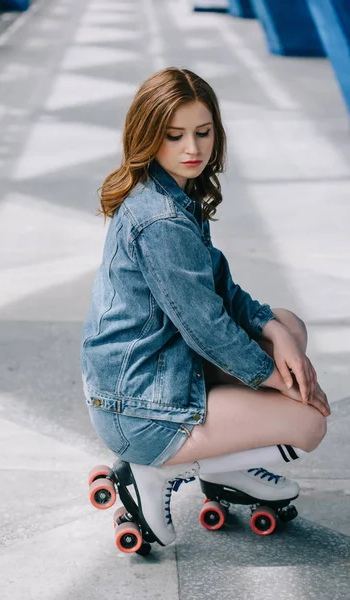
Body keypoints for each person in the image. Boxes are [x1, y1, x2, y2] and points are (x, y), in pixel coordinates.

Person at [81, 67, 330, 547]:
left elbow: (224, 293)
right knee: (307, 423)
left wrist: (277, 337)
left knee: (289, 326)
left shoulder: (176, 191)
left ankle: (229, 471)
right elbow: (208, 329)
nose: (192, 149)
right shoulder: (161, 220)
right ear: (148, 136)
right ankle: (150, 473)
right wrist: (284, 382)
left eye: (203, 132)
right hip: (140, 405)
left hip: (157, 367)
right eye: (174, 136)